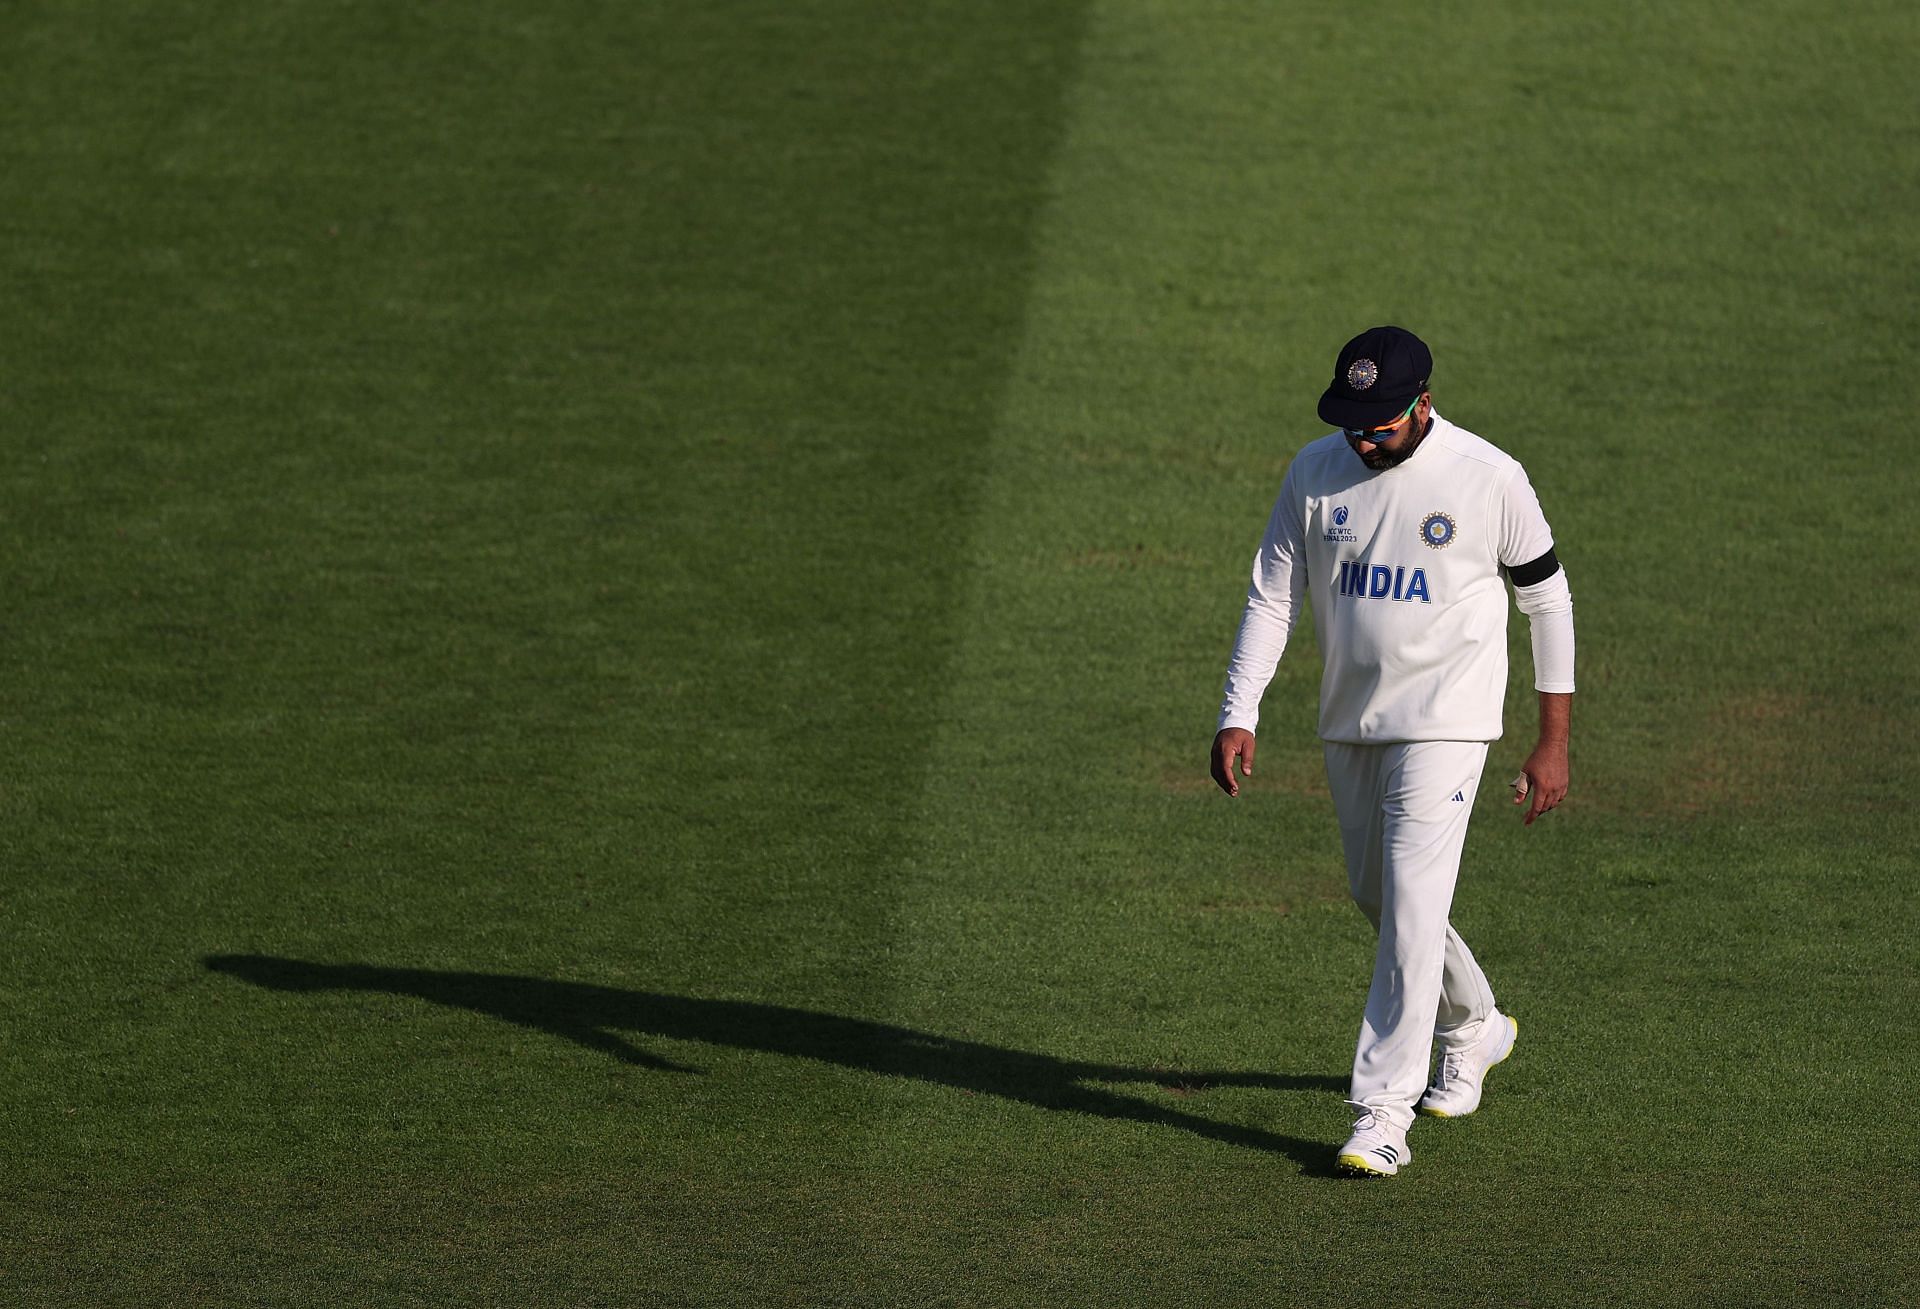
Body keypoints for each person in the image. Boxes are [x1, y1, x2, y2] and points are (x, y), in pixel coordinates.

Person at [1209, 325, 1575, 1177]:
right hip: (1353, 720)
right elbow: (1272, 598)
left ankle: (1381, 1111)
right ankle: (1476, 1024)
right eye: (1353, 422)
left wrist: (1551, 739)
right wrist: (1240, 712)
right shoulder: (1314, 471)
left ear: (1423, 402)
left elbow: (1547, 603)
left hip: (1450, 721)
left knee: (1411, 893)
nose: (1364, 437)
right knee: (1381, 896)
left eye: (1379, 422)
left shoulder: (1490, 479)